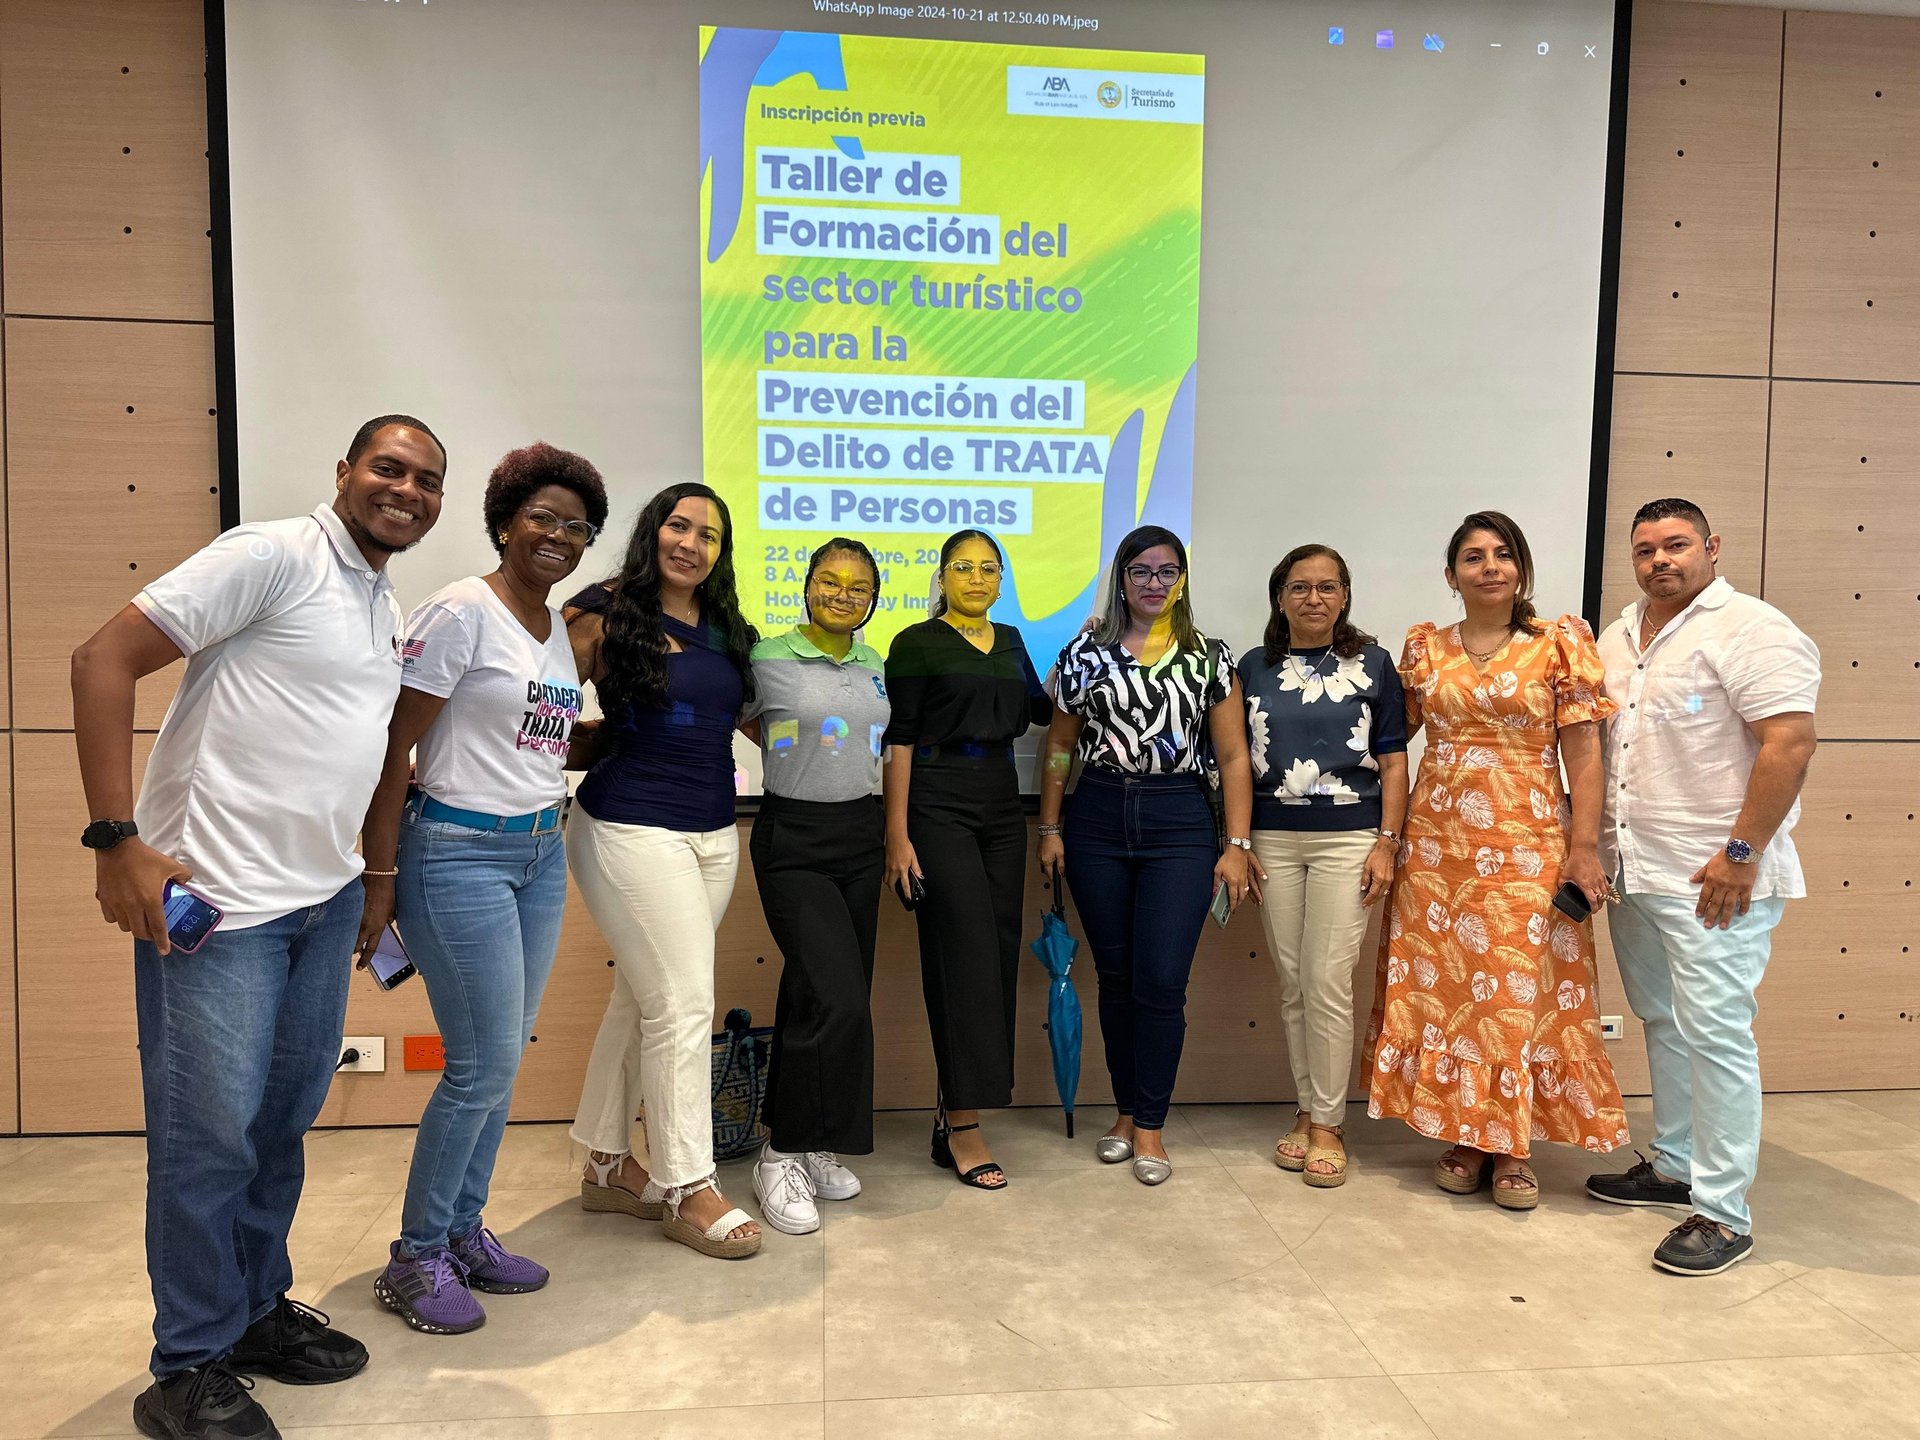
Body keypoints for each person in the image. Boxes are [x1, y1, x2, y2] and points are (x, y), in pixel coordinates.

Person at [71, 416, 445, 1440]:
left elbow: (369, 755)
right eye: (388, 468)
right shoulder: (271, 554)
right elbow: (102, 659)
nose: (406, 490)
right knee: (207, 1144)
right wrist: (116, 839)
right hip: (218, 914)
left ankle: (250, 1313)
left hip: (319, 909)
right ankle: (187, 1363)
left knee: (277, 1130)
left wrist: (372, 883)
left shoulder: (380, 600)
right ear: (345, 472)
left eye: (425, 479)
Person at [356, 443, 607, 1332]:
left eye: (576, 527)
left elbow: (535, 744)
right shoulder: (464, 609)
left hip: (539, 852)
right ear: (504, 521)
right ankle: (416, 1256)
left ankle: (462, 1232)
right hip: (457, 853)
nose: (557, 535)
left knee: (500, 1061)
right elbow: (393, 747)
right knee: (480, 1067)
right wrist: (378, 877)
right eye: (541, 517)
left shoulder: (551, 628)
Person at [1363, 510, 1629, 1209]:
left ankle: (1511, 1145)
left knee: (1515, 994)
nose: (1490, 566)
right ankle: (1466, 1135)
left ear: (1521, 570)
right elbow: (1392, 737)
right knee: (1453, 991)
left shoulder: (1558, 645)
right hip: (1438, 846)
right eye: (1474, 557)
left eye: (1503, 554)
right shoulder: (1425, 648)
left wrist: (1582, 848)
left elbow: (1584, 751)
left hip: (1529, 841)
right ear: (1451, 575)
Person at [1586, 498, 1819, 1276]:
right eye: (1647, 548)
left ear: (1711, 548)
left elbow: (1789, 741)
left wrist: (1742, 851)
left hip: (1717, 878)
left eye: (1677, 545)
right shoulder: (1617, 635)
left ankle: (1722, 1214)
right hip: (1637, 869)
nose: (1661, 560)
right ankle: (1676, 1163)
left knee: (1716, 1034)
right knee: (1663, 1019)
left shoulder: (1753, 627)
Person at [568, 482, 764, 1259]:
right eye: (677, 526)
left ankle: (609, 1165)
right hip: (629, 826)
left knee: (640, 999)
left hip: (715, 835)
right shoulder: (602, 607)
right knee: (683, 1003)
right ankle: (689, 1185)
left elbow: (745, 718)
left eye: (708, 535)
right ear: (652, 532)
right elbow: (539, 698)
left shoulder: (725, 627)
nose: (690, 543)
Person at [1036, 527, 1257, 1185]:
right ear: (1122, 579)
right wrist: (1049, 827)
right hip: (1098, 817)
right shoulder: (1087, 654)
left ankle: (1153, 1126)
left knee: (1161, 980)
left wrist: (1237, 845)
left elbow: (1234, 755)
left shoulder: (1210, 657)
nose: (1154, 583)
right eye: (1141, 571)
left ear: (1182, 580)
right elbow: (1058, 746)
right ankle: (1126, 1113)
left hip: (1180, 822)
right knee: (1116, 975)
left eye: (1167, 571)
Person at [884, 530, 1052, 1189]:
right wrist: (897, 836)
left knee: (999, 951)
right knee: (963, 953)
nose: (976, 578)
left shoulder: (1010, 641)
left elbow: (1042, 709)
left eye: (988, 568)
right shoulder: (915, 643)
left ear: (1002, 579)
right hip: (936, 800)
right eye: (963, 567)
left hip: (1001, 803)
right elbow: (899, 741)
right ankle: (964, 1122)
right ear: (942, 576)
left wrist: (1086, 656)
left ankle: (949, 1107)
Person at [1240, 545, 1409, 1188]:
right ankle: (1309, 1109)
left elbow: (1393, 761)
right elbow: (1232, 758)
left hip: (1351, 839)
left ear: (1345, 596)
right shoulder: (1250, 667)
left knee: (1328, 979)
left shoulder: (1374, 665)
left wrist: (1388, 841)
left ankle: (1330, 1125)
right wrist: (1240, 842)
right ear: (1279, 597)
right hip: (1272, 840)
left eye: (1327, 587)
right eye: (1300, 587)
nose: (1314, 599)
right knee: (1292, 982)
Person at [743, 538, 890, 1235]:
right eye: (830, 582)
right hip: (793, 840)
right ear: (805, 586)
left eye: (859, 587)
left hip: (860, 840)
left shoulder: (876, 665)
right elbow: (743, 719)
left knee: (818, 997)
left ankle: (810, 1137)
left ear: (873, 598)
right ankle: (779, 1156)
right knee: (836, 998)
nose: (843, 595)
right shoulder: (768, 657)